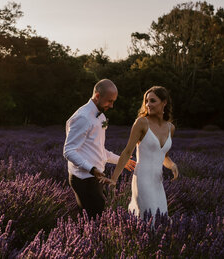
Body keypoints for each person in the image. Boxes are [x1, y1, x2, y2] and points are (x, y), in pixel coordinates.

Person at [63, 79, 136, 219]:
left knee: (94, 220)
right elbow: (69, 151)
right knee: (93, 221)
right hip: (83, 179)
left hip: (95, 177)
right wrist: (92, 169)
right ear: (97, 96)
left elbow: (99, 150)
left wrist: (121, 161)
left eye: (113, 101)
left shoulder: (100, 115)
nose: (112, 105)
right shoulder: (82, 117)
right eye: (109, 101)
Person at [105, 86, 179, 219]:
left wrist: (172, 165)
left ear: (164, 102)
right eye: (146, 101)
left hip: (158, 181)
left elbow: (164, 156)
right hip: (142, 180)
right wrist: (114, 178)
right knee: (147, 219)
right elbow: (127, 151)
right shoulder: (141, 123)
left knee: (161, 218)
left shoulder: (170, 128)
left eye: (152, 101)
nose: (147, 104)